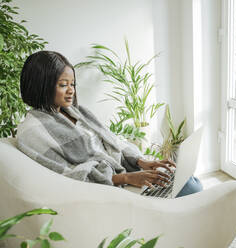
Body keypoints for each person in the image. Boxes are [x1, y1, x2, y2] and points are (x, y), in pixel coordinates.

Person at [17, 50, 202, 197]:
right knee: (190, 189)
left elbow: (112, 141)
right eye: (63, 85)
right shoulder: (32, 131)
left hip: (123, 174)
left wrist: (141, 162)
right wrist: (128, 178)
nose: (71, 91)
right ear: (41, 85)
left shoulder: (77, 111)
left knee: (189, 181)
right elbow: (66, 176)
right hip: (107, 189)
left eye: (72, 84)